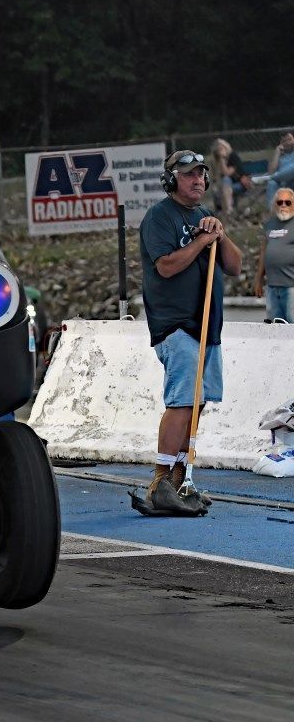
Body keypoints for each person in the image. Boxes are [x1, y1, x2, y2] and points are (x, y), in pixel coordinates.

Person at [136, 150, 243, 514]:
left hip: (207, 327)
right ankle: (160, 481)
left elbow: (235, 267)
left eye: (201, 174)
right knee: (182, 401)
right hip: (176, 324)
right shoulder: (159, 216)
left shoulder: (204, 216)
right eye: (188, 175)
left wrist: (219, 235)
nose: (198, 180)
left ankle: (181, 477)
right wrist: (200, 242)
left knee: (198, 403)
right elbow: (166, 266)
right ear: (171, 180)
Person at [254, 187, 294, 323]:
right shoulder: (269, 224)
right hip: (272, 288)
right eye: (280, 202)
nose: (283, 205)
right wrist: (259, 279)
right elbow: (264, 251)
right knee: (274, 329)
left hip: (291, 288)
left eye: (288, 202)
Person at [208, 138, 251, 214]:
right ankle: (222, 211)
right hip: (225, 186)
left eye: (222, 148)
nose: (221, 151)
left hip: (240, 184)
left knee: (226, 181)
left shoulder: (233, 156)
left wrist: (222, 158)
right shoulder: (216, 161)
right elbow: (216, 177)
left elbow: (227, 173)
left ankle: (228, 210)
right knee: (218, 189)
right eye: (219, 150)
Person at [261, 132, 294, 203]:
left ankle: (270, 178)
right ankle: (272, 209)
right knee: (271, 183)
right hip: (283, 183)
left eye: (290, 140)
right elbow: (271, 172)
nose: (287, 142)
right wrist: (277, 153)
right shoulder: (279, 156)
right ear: (281, 143)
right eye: (284, 141)